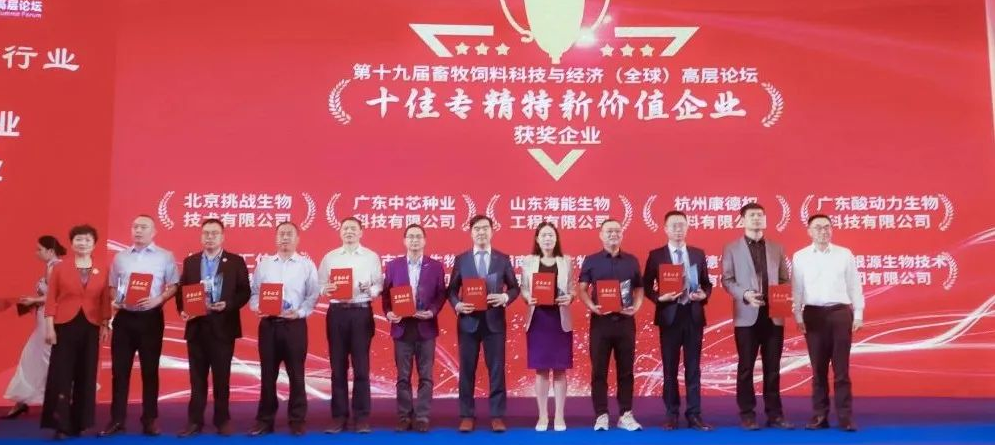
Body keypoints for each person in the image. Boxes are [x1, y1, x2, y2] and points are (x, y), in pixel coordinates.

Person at [102, 215, 179, 437]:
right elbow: (112, 286)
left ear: (154, 232)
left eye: (143, 227)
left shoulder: (165, 256)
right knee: (120, 371)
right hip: (125, 319)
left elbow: (174, 285)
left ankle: (149, 420)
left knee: (150, 371)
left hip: (150, 319)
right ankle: (117, 419)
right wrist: (116, 299)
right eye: (135, 226)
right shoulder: (120, 257)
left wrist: (158, 299)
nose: (138, 230)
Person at [721, 203, 794, 430]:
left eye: (760, 215)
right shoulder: (731, 248)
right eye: (752, 215)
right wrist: (745, 294)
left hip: (774, 315)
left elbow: (784, 278)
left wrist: (783, 296)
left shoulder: (776, 247)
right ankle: (747, 414)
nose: (756, 218)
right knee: (746, 367)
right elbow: (727, 280)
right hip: (747, 315)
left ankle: (775, 414)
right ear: (742, 220)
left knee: (773, 368)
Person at [175, 218, 251, 437]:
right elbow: (181, 291)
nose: (209, 237)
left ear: (222, 237)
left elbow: (244, 291)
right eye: (206, 233)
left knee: (221, 378)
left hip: (223, 327)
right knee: (196, 378)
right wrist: (182, 310)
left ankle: (222, 420)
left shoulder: (235, 261)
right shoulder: (191, 261)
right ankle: (194, 421)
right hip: (196, 327)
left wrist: (228, 304)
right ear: (201, 236)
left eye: (214, 233)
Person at [448, 215, 520, 433]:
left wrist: (505, 297)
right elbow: (451, 290)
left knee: (497, 369)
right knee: (467, 370)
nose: (481, 232)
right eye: (477, 228)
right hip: (468, 322)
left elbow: (514, 288)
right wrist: (458, 304)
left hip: (494, 322)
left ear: (492, 231)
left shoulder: (502, 259)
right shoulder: (461, 259)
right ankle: (466, 415)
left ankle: (497, 415)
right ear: (471, 232)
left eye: (485, 228)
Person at [792, 214, 864, 432]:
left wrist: (858, 313)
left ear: (832, 230)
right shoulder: (800, 257)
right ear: (809, 231)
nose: (823, 231)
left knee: (841, 370)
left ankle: (845, 417)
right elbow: (797, 289)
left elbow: (854, 285)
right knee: (818, 370)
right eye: (818, 227)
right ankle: (819, 416)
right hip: (813, 315)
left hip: (840, 313)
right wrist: (798, 316)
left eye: (827, 227)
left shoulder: (844, 254)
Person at [247, 222, 320, 437]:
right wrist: (257, 307)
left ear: (298, 239)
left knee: (296, 374)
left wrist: (299, 312)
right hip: (269, 326)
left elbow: (313, 295)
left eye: (289, 234)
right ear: (275, 238)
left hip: (294, 326)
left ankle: (297, 419)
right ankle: (265, 420)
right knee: (267, 374)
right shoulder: (264, 265)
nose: (285, 238)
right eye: (281, 234)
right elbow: (254, 294)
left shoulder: (306, 265)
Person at [642, 211, 713, 431]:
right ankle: (671, 414)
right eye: (673, 225)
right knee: (670, 368)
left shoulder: (698, 254)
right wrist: (659, 298)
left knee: (693, 368)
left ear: (688, 227)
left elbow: (706, 283)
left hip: (693, 315)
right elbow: (646, 286)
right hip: (669, 317)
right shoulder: (656, 255)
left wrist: (704, 295)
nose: (678, 229)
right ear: (665, 229)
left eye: (681, 225)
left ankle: (694, 414)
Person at [39, 225, 111, 439]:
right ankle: (61, 424)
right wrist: (49, 327)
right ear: (71, 243)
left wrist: (105, 324)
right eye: (79, 239)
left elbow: (105, 300)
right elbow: (51, 299)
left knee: (86, 374)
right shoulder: (60, 268)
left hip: (91, 326)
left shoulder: (102, 268)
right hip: (64, 326)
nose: (83, 243)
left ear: (94, 244)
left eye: (87, 240)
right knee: (61, 375)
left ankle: (81, 422)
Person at [577, 219, 645, 432]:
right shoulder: (591, 261)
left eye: (617, 230)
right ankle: (601, 415)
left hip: (625, 322)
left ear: (622, 234)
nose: (613, 234)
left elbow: (639, 288)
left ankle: (626, 414)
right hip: (601, 323)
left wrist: (636, 307)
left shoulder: (632, 261)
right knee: (599, 371)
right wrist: (592, 307)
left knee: (626, 370)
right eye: (609, 231)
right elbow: (582, 289)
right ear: (601, 235)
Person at [317, 217, 383, 434]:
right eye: (345, 228)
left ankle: (362, 417)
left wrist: (369, 289)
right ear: (340, 232)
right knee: (338, 367)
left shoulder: (371, 257)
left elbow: (378, 286)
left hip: (361, 312)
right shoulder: (330, 257)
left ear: (361, 232)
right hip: (337, 313)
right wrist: (326, 289)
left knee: (361, 367)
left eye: (353, 228)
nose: (349, 232)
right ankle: (339, 416)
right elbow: (320, 285)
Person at [381, 224, 447, 433]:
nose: (415, 240)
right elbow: (386, 295)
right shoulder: (393, 266)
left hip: (426, 327)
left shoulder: (435, 266)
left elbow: (441, 294)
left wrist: (432, 311)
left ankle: (422, 416)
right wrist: (388, 313)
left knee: (426, 376)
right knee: (403, 376)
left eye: (418, 236)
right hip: (402, 327)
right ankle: (404, 416)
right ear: (404, 241)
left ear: (425, 240)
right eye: (410, 236)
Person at [2, 236, 66, 420]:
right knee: (35, 359)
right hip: (43, 320)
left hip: (49, 321)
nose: (36, 253)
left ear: (50, 251)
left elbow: (57, 296)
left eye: (39, 249)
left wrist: (34, 300)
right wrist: (33, 302)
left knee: (41, 359)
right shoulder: (52, 266)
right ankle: (26, 400)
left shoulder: (54, 267)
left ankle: (58, 400)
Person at [519, 222, 574, 432]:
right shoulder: (529, 261)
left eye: (551, 235)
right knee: (541, 370)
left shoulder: (566, 261)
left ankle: (559, 415)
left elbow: (572, 288)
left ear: (556, 238)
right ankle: (542, 415)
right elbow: (524, 288)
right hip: (538, 320)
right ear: (537, 239)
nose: (548, 238)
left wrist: (570, 297)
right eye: (543, 235)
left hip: (559, 320)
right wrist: (528, 297)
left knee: (560, 370)